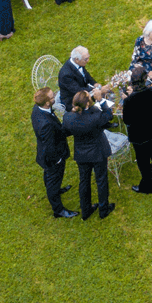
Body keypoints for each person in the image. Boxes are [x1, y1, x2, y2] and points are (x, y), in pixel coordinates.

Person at [64, 90, 115, 220]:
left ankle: (86, 210)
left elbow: (67, 131)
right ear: (87, 103)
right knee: (101, 180)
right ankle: (104, 209)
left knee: (84, 181)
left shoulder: (68, 117)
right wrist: (101, 100)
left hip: (82, 154)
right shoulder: (95, 116)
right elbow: (109, 115)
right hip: (98, 152)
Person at [31, 88, 79, 218]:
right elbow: (49, 146)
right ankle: (58, 210)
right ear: (47, 103)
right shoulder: (45, 124)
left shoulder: (37, 109)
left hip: (47, 154)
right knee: (53, 181)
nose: (55, 97)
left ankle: (57, 190)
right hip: (52, 159)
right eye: (52, 97)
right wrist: (57, 160)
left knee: (50, 177)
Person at [122, 67, 152, 193]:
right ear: (145, 79)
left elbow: (127, 120)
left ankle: (147, 187)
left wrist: (128, 98)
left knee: (143, 162)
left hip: (138, 136)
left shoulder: (129, 100)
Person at [57, 47, 98, 111]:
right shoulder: (66, 74)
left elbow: (86, 75)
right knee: (97, 110)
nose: (88, 60)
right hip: (73, 101)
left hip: (83, 92)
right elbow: (78, 90)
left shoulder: (78, 63)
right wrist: (95, 90)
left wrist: (95, 83)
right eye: (86, 59)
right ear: (76, 59)